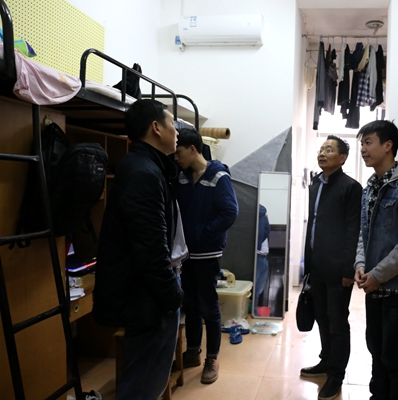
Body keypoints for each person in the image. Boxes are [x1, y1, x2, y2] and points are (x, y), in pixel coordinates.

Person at [92, 99, 184, 400]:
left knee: (145, 379)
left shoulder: (147, 166)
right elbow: (151, 249)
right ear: (156, 128)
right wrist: (172, 296)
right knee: (145, 384)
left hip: (147, 293)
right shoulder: (144, 173)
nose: (177, 131)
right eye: (173, 123)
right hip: (148, 297)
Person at [354, 120, 398, 400]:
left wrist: (377, 275)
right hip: (375, 287)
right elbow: (364, 233)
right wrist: (360, 265)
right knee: (376, 352)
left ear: (388, 145)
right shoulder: (371, 185)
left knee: (396, 359)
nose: (363, 149)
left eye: (368, 142)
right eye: (361, 143)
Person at [174, 128, 239, 384]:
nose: (176, 158)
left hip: (207, 252)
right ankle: (192, 352)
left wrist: (202, 234)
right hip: (185, 253)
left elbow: (230, 212)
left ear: (192, 149)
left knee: (208, 306)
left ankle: (212, 358)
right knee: (190, 304)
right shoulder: (181, 176)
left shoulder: (218, 176)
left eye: (179, 152)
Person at [300, 135, 362, 400]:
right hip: (317, 265)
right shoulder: (316, 183)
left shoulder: (351, 188)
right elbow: (313, 224)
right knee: (321, 318)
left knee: (337, 322)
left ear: (342, 158)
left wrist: (348, 270)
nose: (322, 153)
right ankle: (326, 361)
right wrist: (308, 263)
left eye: (329, 149)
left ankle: (336, 376)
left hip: (338, 270)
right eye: (321, 149)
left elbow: (353, 230)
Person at [254, 204, 271, 316]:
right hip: (260, 255)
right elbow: (267, 230)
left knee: (256, 291)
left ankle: (253, 314)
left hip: (260, 255)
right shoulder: (261, 211)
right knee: (257, 291)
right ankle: (254, 314)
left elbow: (266, 231)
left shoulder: (258, 211)